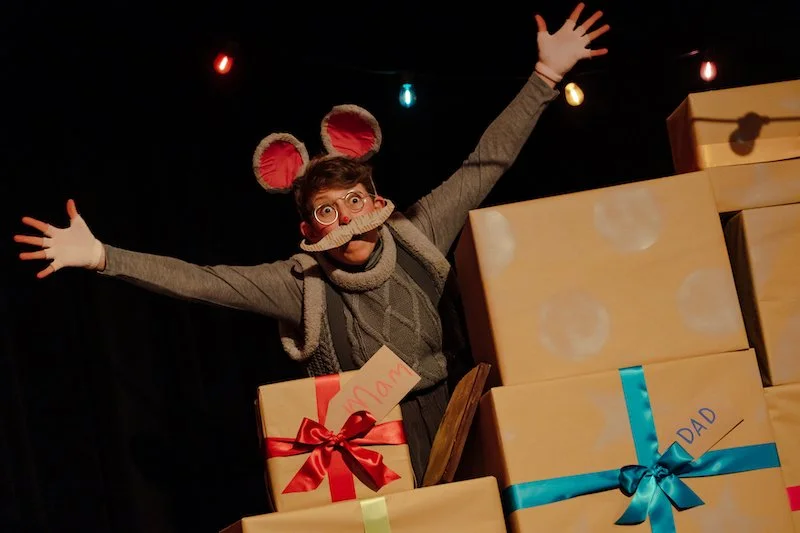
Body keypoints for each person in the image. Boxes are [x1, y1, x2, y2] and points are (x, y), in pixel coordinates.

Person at [14, 4, 609, 484]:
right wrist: (102, 257)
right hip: (381, 453)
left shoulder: (419, 231)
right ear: (309, 230)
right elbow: (203, 281)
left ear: (377, 203)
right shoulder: (301, 285)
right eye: (327, 210)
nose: (345, 218)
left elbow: (485, 165)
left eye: (354, 201)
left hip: (465, 411)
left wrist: (544, 79)